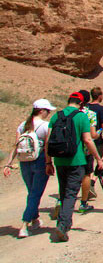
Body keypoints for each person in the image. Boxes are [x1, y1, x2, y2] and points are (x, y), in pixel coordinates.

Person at [45, 92, 103, 243]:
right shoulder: (81, 116)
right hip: (76, 160)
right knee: (71, 193)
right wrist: (98, 158)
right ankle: (63, 226)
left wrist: (48, 162)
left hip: (59, 161)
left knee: (63, 191)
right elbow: (87, 140)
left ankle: (64, 221)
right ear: (81, 103)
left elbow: (48, 141)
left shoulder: (56, 116)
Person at [2, 98, 56, 238]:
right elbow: (47, 147)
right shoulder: (46, 125)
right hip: (40, 161)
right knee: (35, 193)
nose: (49, 113)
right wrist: (49, 164)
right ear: (41, 111)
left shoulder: (22, 125)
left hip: (24, 161)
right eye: (48, 111)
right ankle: (24, 225)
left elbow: (16, 145)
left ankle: (35, 219)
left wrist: (8, 164)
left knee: (32, 192)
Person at [77, 89, 99, 213]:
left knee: (68, 177)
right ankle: (83, 203)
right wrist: (97, 135)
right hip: (85, 151)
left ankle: (61, 201)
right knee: (86, 175)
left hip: (69, 151)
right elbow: (92, 135)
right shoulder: (90, 114)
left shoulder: (68, 113)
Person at [86, 87, 103, 202]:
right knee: (102, 160)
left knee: (89, 162)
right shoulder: (101, 109)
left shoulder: (86, 108)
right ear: (100, 96)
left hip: (87, 140)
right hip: (97, 140)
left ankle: (89, 183)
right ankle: (93, 181)